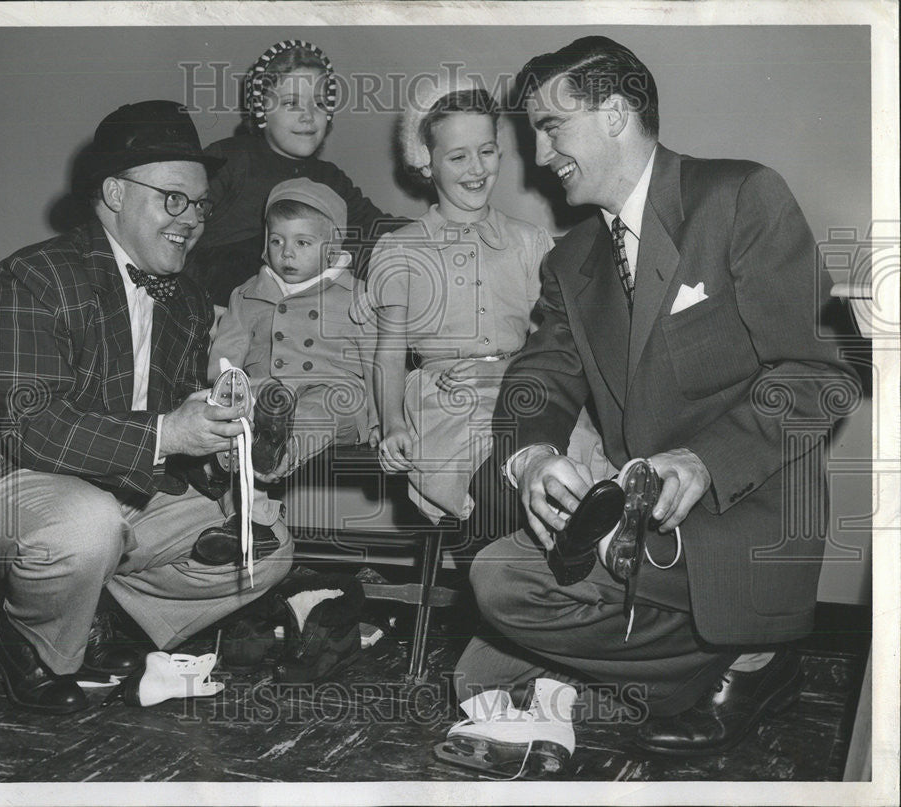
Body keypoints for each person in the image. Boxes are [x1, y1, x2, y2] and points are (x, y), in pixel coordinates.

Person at [448, 36, 860, 760]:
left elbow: (822, 372)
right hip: (639, 531)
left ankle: (752, 659)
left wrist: (703, 460)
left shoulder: (739, 197)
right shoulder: (572, 258)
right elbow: (535, 382)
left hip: (739, 524)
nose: (540, 157)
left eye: (550, 127)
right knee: (478, 659)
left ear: (614, 112)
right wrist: (533, 459)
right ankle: (682, 663)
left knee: (500, 608)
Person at [0, 100, 293, 714]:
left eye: (199, 204)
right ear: (114, 192)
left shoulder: (189, 303)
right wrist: (173, 433)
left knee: (267, 546)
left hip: (109, 491)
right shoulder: (32, 276)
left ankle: (85, 613)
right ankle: (34, 644)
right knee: (85, 523)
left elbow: (168, 439)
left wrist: (228, 450)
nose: (193, 220)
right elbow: (34, 427)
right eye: (174, 199)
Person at [365, 79, 607, 526]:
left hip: (523, 381)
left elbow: (555, 342)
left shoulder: (528, 241)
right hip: (445, 395)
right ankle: (538, 533)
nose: (476, 168)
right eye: (457, 157)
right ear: (426, 163)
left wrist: (505, 370)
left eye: (488, 151)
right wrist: (393, 423)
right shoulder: (400, 250)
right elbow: (389, 352)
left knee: (572, 453)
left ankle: (593, 534)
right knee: (483, 463)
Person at [188, 39, 402, 307]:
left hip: (298, 320)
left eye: (321, 104)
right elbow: (181, 221)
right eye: (292, 103)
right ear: (261, 109)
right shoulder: (230, 158)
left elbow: (379, 229)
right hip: (218, 306)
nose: (308, 116)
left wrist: (442, 225)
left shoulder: (330, 179)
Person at [208, 177, 377, 481]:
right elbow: (227, 352)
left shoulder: (357, 296)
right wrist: (229, 388)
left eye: (302, 243)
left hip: (332, 392)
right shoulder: (247, 294)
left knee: (322, 409)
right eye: (277, 241)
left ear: (331, 248)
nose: (286, 252)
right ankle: (236, 454)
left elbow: (377, 363)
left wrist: (382, 423)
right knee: (247, 403)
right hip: (266, 391)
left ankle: (283, 450)